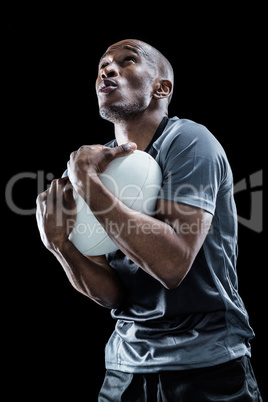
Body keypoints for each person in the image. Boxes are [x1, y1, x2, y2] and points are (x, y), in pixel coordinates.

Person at [36, 39, 263, 401]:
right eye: (103, 65)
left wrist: (89, 186)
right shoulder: (96, 167)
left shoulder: (189, 140)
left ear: (162, 88)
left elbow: (172, 265)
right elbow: (113, 295)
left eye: (127, 61)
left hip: (206, 364)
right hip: (125, 367)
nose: (108, 69)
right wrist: (61, 246)